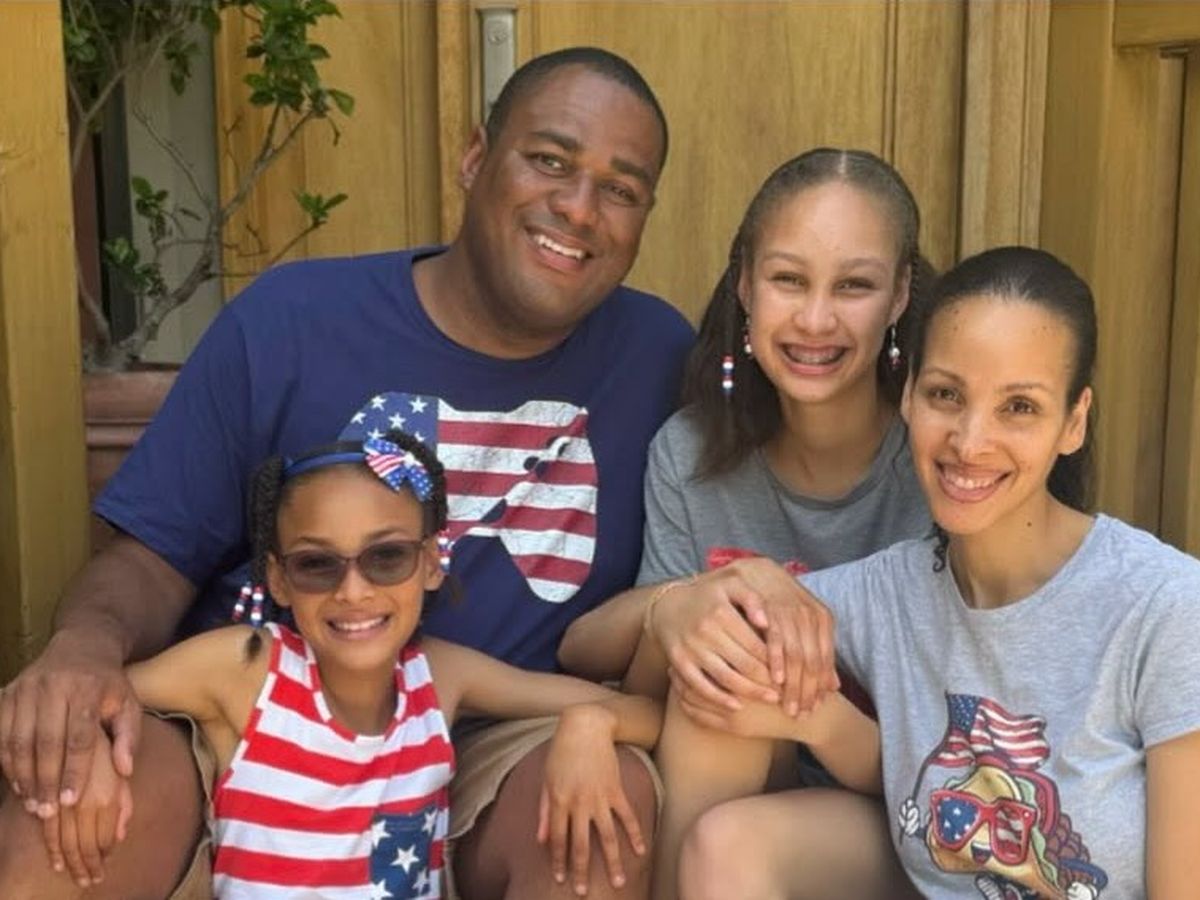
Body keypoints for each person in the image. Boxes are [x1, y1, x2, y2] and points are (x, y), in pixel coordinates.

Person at [0, 46, 692, 900]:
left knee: (603, 811)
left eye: (620, 189)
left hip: (500, 737)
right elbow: (149, 557)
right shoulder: (291, 322)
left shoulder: (662, 356)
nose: (579, 208)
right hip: (254, 726)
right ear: (475, 157)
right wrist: (83, 652)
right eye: (550, 160)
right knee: (74, 785)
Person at [673, 246, 1200, 899]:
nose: (970, 442)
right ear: (909, 396)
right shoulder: (890, 594)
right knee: (727, 825)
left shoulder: (1166, 605)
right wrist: (673, 612)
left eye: (1019, 407)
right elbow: (644, 639)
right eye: (947, 395)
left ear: (1073, 422)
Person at [556, 148, 931, 897]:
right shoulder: (691, 452)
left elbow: (963, 755)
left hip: (913, 810)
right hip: (739, 794)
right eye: (789, 279)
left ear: (898, 296)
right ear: (744, 284)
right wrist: (682, 603)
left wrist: (803, 707)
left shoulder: (942, 463)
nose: (816, 320)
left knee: (737, 671)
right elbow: (593, 654)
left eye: (854, 285)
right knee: (723, 663)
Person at [68, 429, 660, 899]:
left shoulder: (441, 678)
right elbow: (86, 698)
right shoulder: (245, 671)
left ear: (432, 562)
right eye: (317, 565)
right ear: (278, 578)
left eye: (387, 557)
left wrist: (590, 724)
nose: (353, 591)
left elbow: (649, 714)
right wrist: (92, 743)